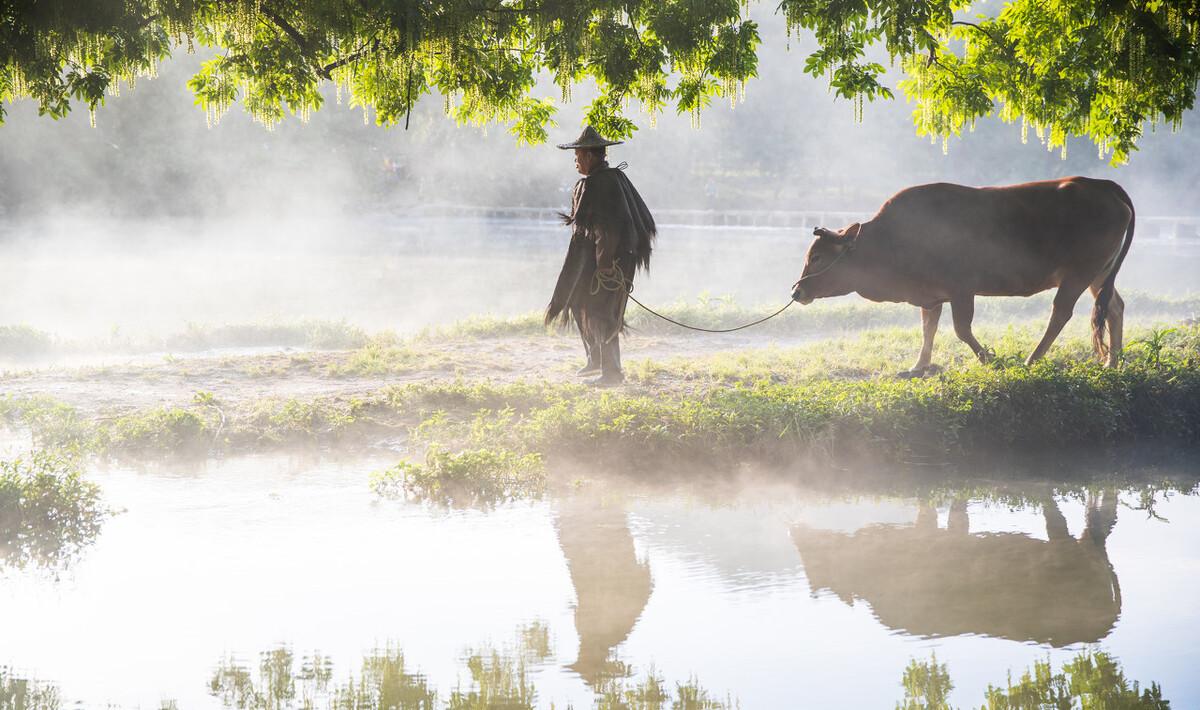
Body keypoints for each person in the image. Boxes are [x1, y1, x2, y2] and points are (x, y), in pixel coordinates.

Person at [545, 126, 656, 385]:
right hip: (592, 259)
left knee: (601, 311)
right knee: (576, 299)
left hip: (610, 261)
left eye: (578, 155)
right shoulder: (597, 181)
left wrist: (605, 265)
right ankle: (595, 359)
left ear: (591, 156)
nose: (575, 160)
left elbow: (609, 227)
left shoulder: (604, 183)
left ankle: (612, 373)